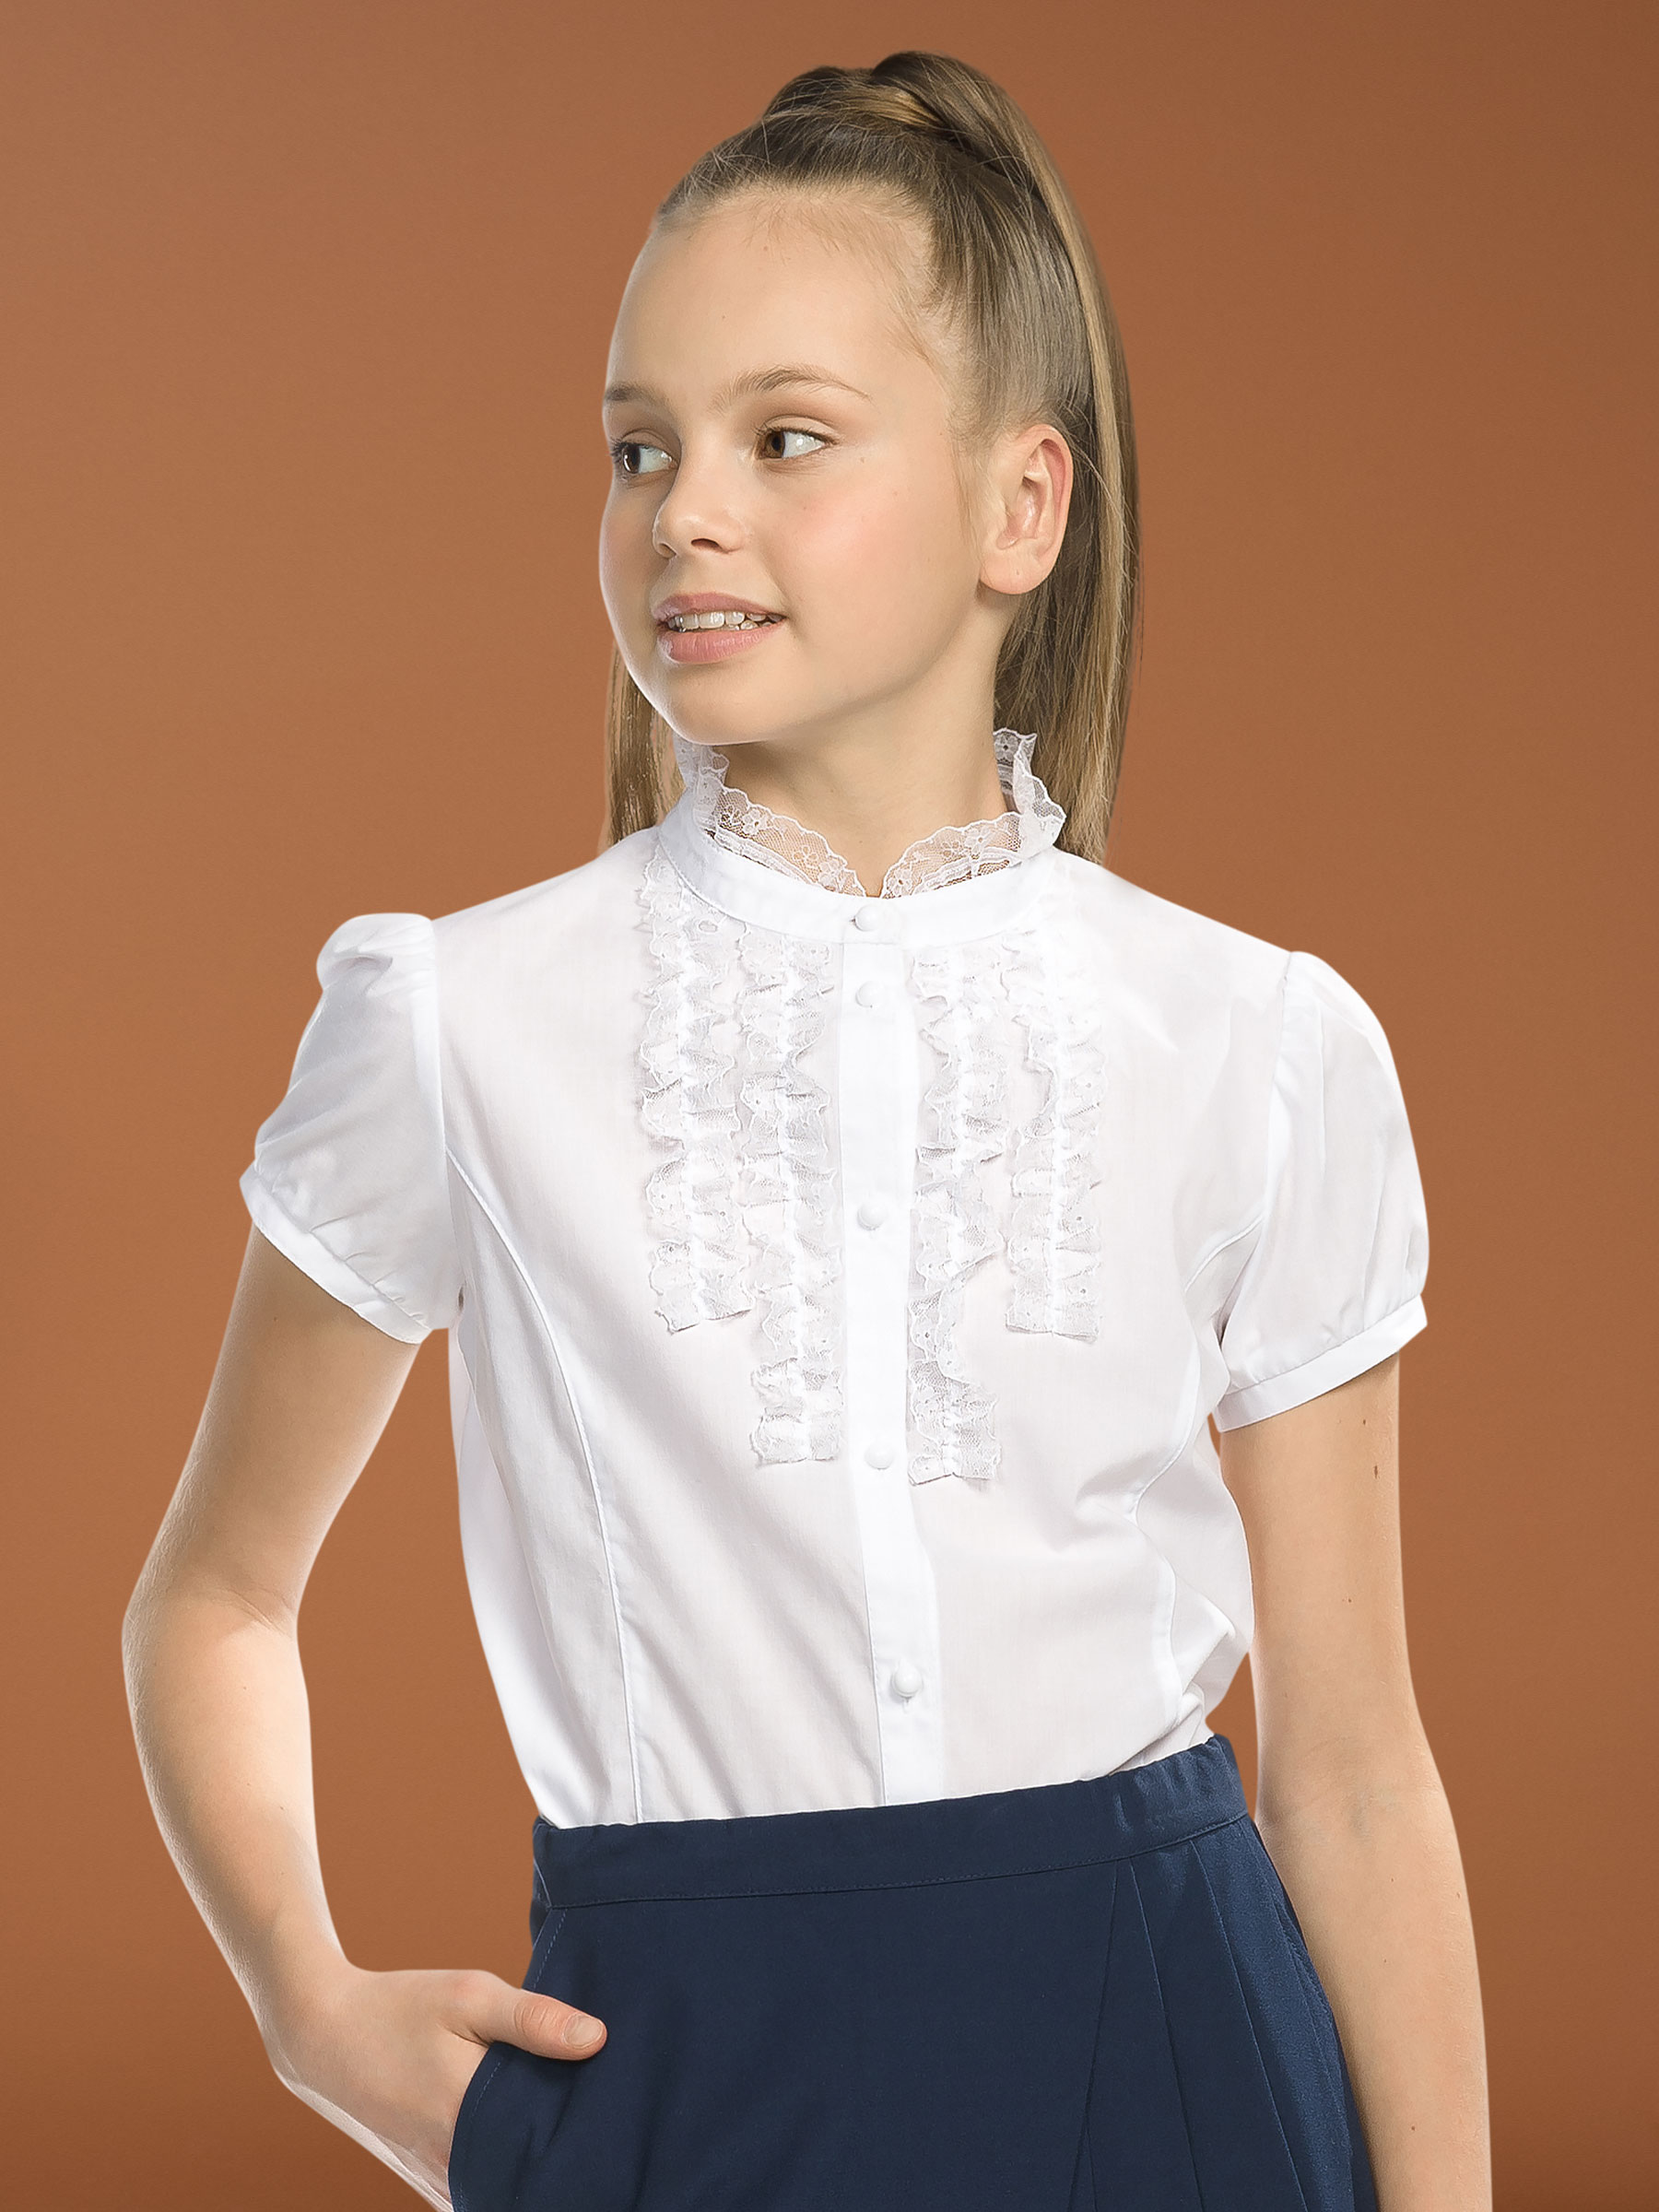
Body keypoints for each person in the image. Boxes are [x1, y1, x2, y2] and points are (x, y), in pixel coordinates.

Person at [124, 50, 1490, 2212]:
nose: (685, 511)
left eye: (784, 439)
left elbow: (1353, 1772)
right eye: (638, 447)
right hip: (688, 2076)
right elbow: (212, 1594)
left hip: (1174, 2063)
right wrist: (308, 2003)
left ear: (1021, 509)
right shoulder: (457, 1021)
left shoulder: (1258, 1043)